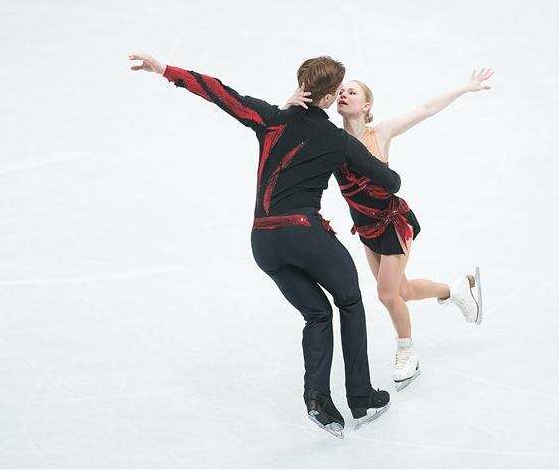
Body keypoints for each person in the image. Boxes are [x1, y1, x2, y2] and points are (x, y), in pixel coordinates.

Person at [128, 53, 399, 439]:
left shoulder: (270, 118)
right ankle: (360, 397)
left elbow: (220, 93)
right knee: (350, 302)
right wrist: (366, 154)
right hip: (305, 233)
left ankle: (318, 400)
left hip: (264, 242)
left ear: (301, 85)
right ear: (327, 99)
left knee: (317, 313)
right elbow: (390, 182)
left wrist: (164, 69)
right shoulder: (338, 140)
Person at [285, 68, 493, 391]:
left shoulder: (379, 133)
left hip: (394, 222)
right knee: (402, 291)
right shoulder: (331, 140)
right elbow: (288, 134)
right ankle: (455, 289)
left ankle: (407, 351)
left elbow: (425, 109)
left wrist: (465, 88)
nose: (344, 94)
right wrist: (289, 105)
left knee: (386, 294)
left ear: (366, 105)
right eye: (341, 91)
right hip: (366, 230)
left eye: (352, 91)